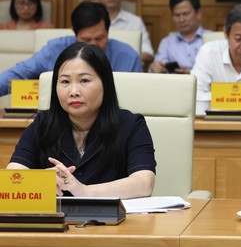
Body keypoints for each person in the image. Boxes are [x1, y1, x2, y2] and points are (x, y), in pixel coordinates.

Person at [6, 42, 155, 198]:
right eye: (65, 82)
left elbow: (144, 184)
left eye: (84, 80)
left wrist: (84, 191)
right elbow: (13, 178)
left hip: (112, 214)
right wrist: (42, 181)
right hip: (56, 214)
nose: (74, 91)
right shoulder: (42, 124)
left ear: (105, 84)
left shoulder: (131, 125)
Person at [0, 1, 142, 96]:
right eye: (86, 39)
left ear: (108, 31)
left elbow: (139, 96)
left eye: (100, 38)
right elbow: (19, 73)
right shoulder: (55, 49)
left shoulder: (128, 56)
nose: (93, 45)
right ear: (74, 33)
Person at [191, 4, 241, 115]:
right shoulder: (208, 52)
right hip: (216, 123)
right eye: (238, 38)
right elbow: (195, 96)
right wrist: (240, 98)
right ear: (226, 33)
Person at [94, 0, 154, 65]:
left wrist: (125, 59)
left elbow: (148, 53)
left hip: (126, 68)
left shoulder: (135, 21)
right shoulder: (88, 22)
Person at [149, 0, 209, 74]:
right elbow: (157, 69)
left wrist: (191, 73)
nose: (181, 20)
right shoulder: (167, 43)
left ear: (198, 13)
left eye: (185, 14)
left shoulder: (212, 39)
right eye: (177, 15)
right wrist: (155, 68)